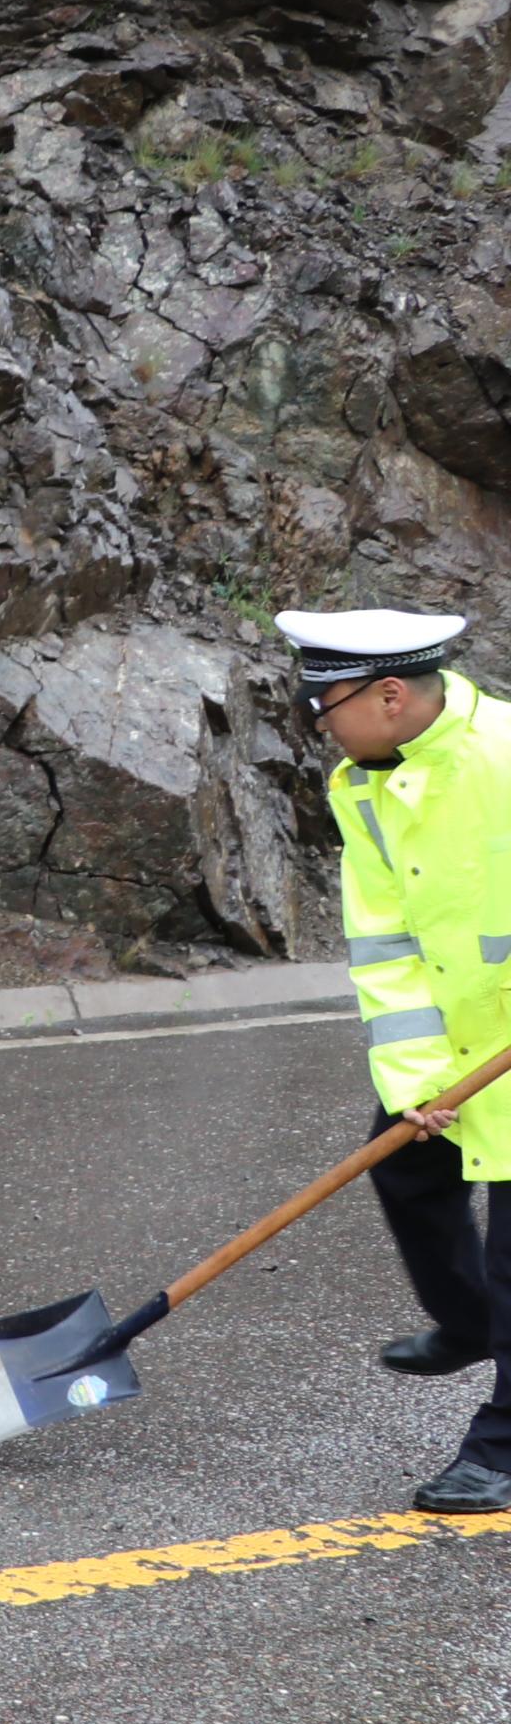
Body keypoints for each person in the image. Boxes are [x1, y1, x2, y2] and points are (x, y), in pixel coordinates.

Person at [288, 606, 511, 1511]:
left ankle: (500, 1449)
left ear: (388, 695)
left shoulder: (501, 755)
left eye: (323, 706)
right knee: (411, 1174)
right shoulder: (366, 781)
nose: (318, 727)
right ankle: (471, 1323)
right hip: (468, 1047)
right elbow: (386, 942)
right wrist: (419, 1090)